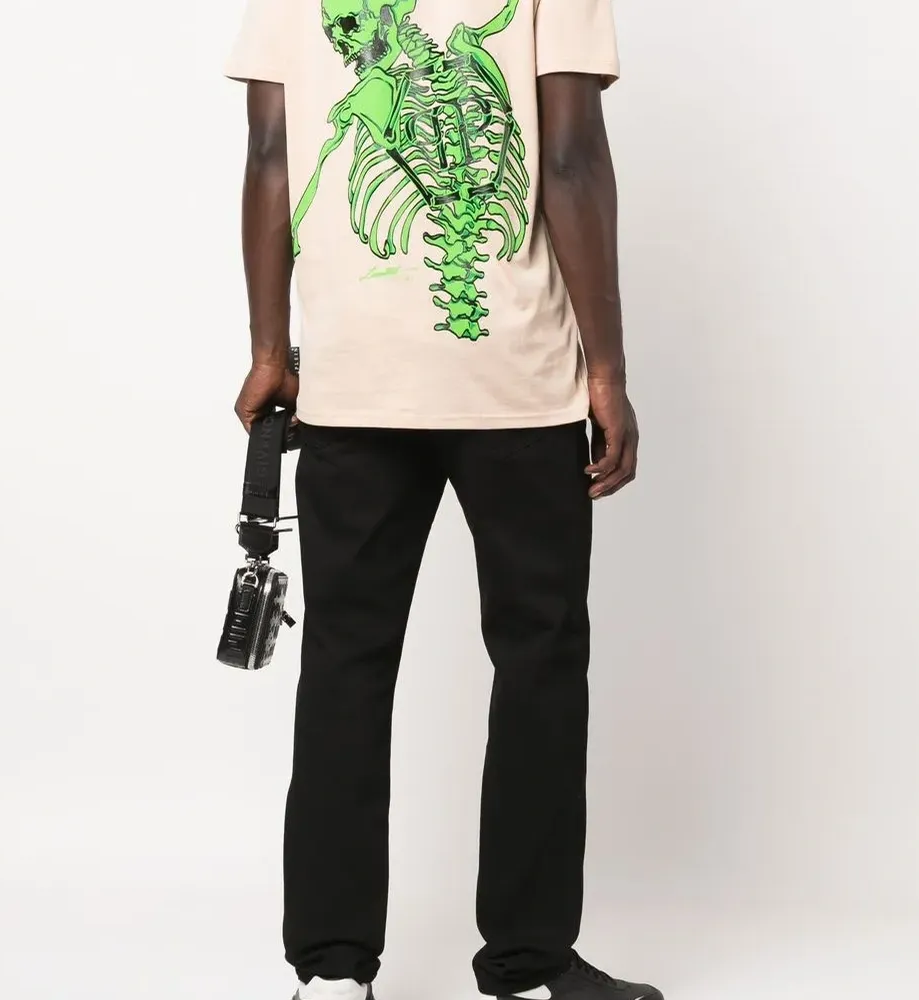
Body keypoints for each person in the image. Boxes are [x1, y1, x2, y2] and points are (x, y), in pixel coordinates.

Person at [224, 1, 660, 998]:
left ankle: (332, 971)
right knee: (540, 656)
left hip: (355, 377)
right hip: (518, 378)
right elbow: (570, 160)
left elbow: (270, 153)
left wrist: (267, 350)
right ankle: (529, 964)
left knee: (346, 660)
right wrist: (607, 370)